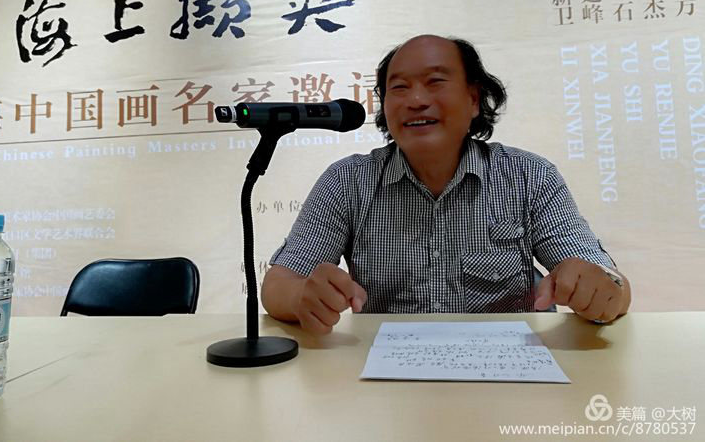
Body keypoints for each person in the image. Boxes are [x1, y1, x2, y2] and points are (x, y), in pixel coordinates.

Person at [261, 35, 631, 335]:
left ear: (473, 99)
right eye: (399, 87)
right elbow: (278, 286)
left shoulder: (529, 176)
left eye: (435, 82)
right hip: (389, 376)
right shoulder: (347, 182)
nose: (416, 100)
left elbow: (615, 287)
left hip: (508, 371)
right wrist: (302, 296)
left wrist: (599, 289)